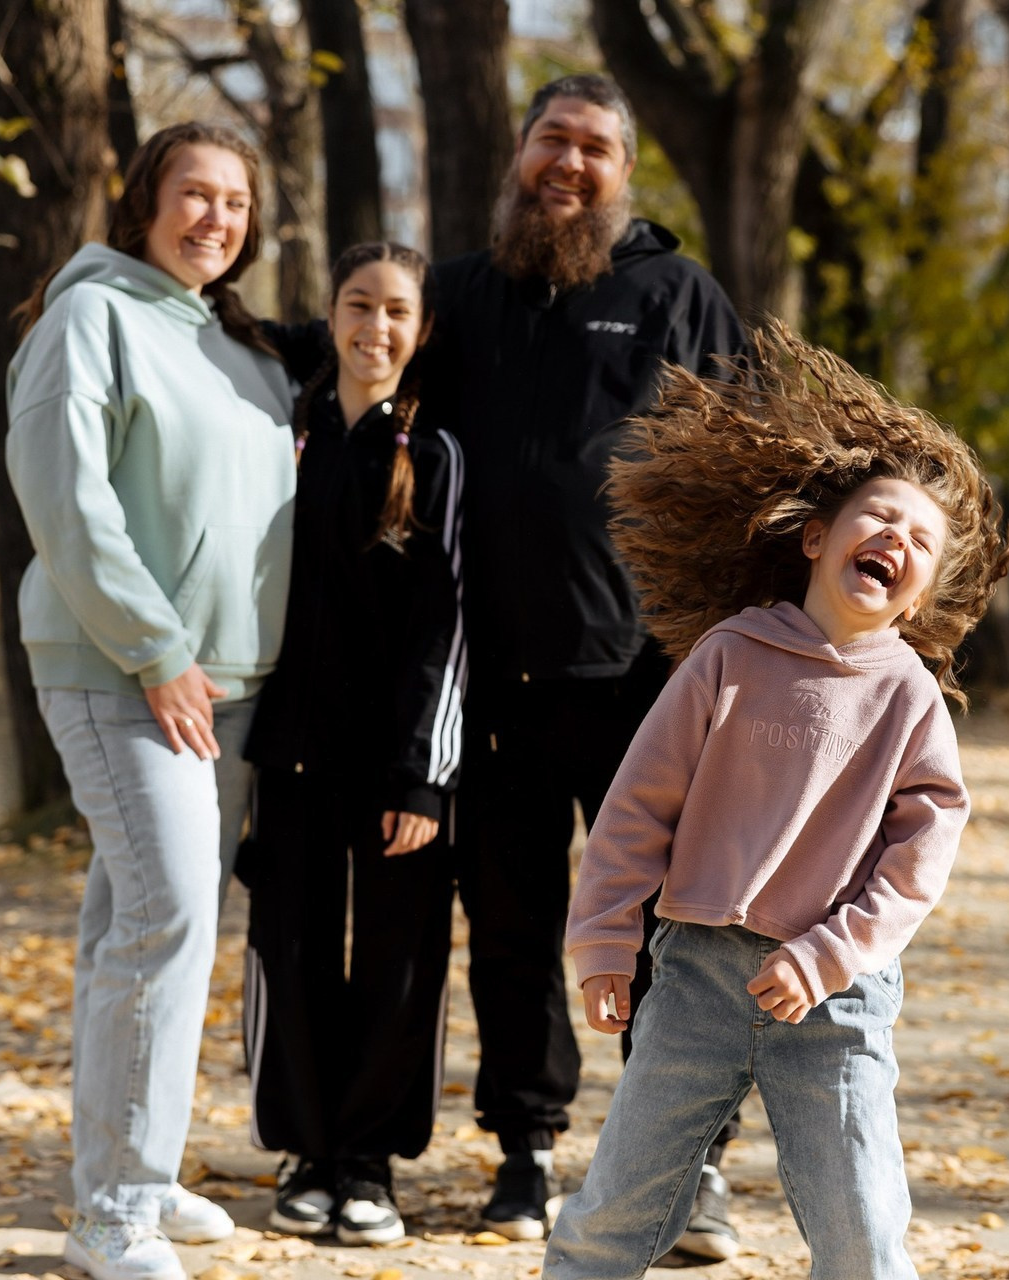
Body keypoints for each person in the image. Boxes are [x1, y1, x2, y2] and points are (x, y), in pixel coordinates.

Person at [542, 325, 1009, 1280]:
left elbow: (918, 860)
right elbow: (638, 805)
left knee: (862, 1231)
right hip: (695, 980)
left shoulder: (908, 695)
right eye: (880, 518)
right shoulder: (730, 655)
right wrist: (605, 941)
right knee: (615, 1208)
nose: (897, 539)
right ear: (816, 537)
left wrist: (832, 954)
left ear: (920, 597)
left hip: (835, 997)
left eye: (920, 541)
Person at [422, 72, 748, 1253]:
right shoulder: (453, 295)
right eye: (550, 139)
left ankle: (685, 1167)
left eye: (593, 147)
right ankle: (524, 1150)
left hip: (645, 688)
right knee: (507, 925)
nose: (568, 163)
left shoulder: (675, 294)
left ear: (622, 172)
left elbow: (745, 482)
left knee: (674, 927)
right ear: (518, 152)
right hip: (490, 683)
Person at [5, 123, 297, 1280]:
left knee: (135, 926)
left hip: (224, 686)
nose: (214, 217)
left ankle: (131, 1166)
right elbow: (63, 495)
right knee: (167, 918)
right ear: (145, 202)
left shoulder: (235, 343)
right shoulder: (92, 315)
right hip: (121, 668)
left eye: (234, 201)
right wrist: (156, 648)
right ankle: (111, 1210)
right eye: (193, 193)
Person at [237, 243, 464, 1245]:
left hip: (396, 766)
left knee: (394, 955)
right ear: (327, 317)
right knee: (285, 946)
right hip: (286, 746)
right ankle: (303, 1150)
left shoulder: (437, 451)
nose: (375, 325)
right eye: (356, 304)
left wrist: (423, 774)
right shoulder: (277, 430)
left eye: (396, 311)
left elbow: (445, 630)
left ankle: (367, 1159)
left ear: (419, 333)